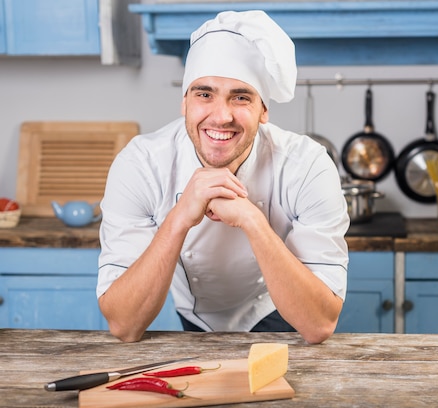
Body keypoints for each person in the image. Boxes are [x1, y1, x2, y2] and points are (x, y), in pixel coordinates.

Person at [96, 10, 349, 344]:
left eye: (241, 97)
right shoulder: (141, 165)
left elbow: (318, 325)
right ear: (184, 101)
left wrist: (253, 221)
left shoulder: (307, 165)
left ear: (264, 111)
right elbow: (124, 325)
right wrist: (179, 218)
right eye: (204, 94)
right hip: (191, 319)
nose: (221, 116)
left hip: (280, 313)